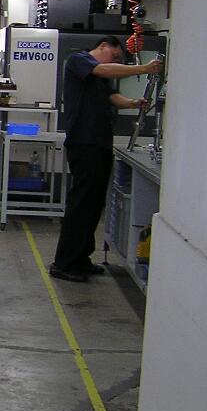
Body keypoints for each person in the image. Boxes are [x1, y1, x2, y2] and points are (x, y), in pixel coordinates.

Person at [49, 35, 163, 282]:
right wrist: (144, 68)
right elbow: (102, 70)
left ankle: (81, 259)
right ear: (102, 47)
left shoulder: (100, 78)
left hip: (99, 143)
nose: (116, 62)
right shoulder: (79, 60)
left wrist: (133, 102)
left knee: (93, 206)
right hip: (84, 143)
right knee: (81, 205)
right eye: (115, 56)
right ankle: (64, 263)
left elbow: (112, 97)